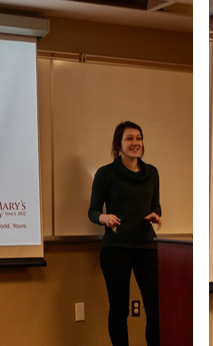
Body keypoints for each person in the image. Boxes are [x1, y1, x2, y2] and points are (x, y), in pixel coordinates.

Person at [88, 121, 162, 346]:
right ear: (118, 145)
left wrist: (155, 216)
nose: (135, 143)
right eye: (129, 138)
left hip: (147, 248)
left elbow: (156, 206)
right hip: (116, 249)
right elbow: (93, 211)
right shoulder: (105, 174)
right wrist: (104, 218)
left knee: (155, 308)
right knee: (119, 309)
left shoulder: (152, 173)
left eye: (138, 138)